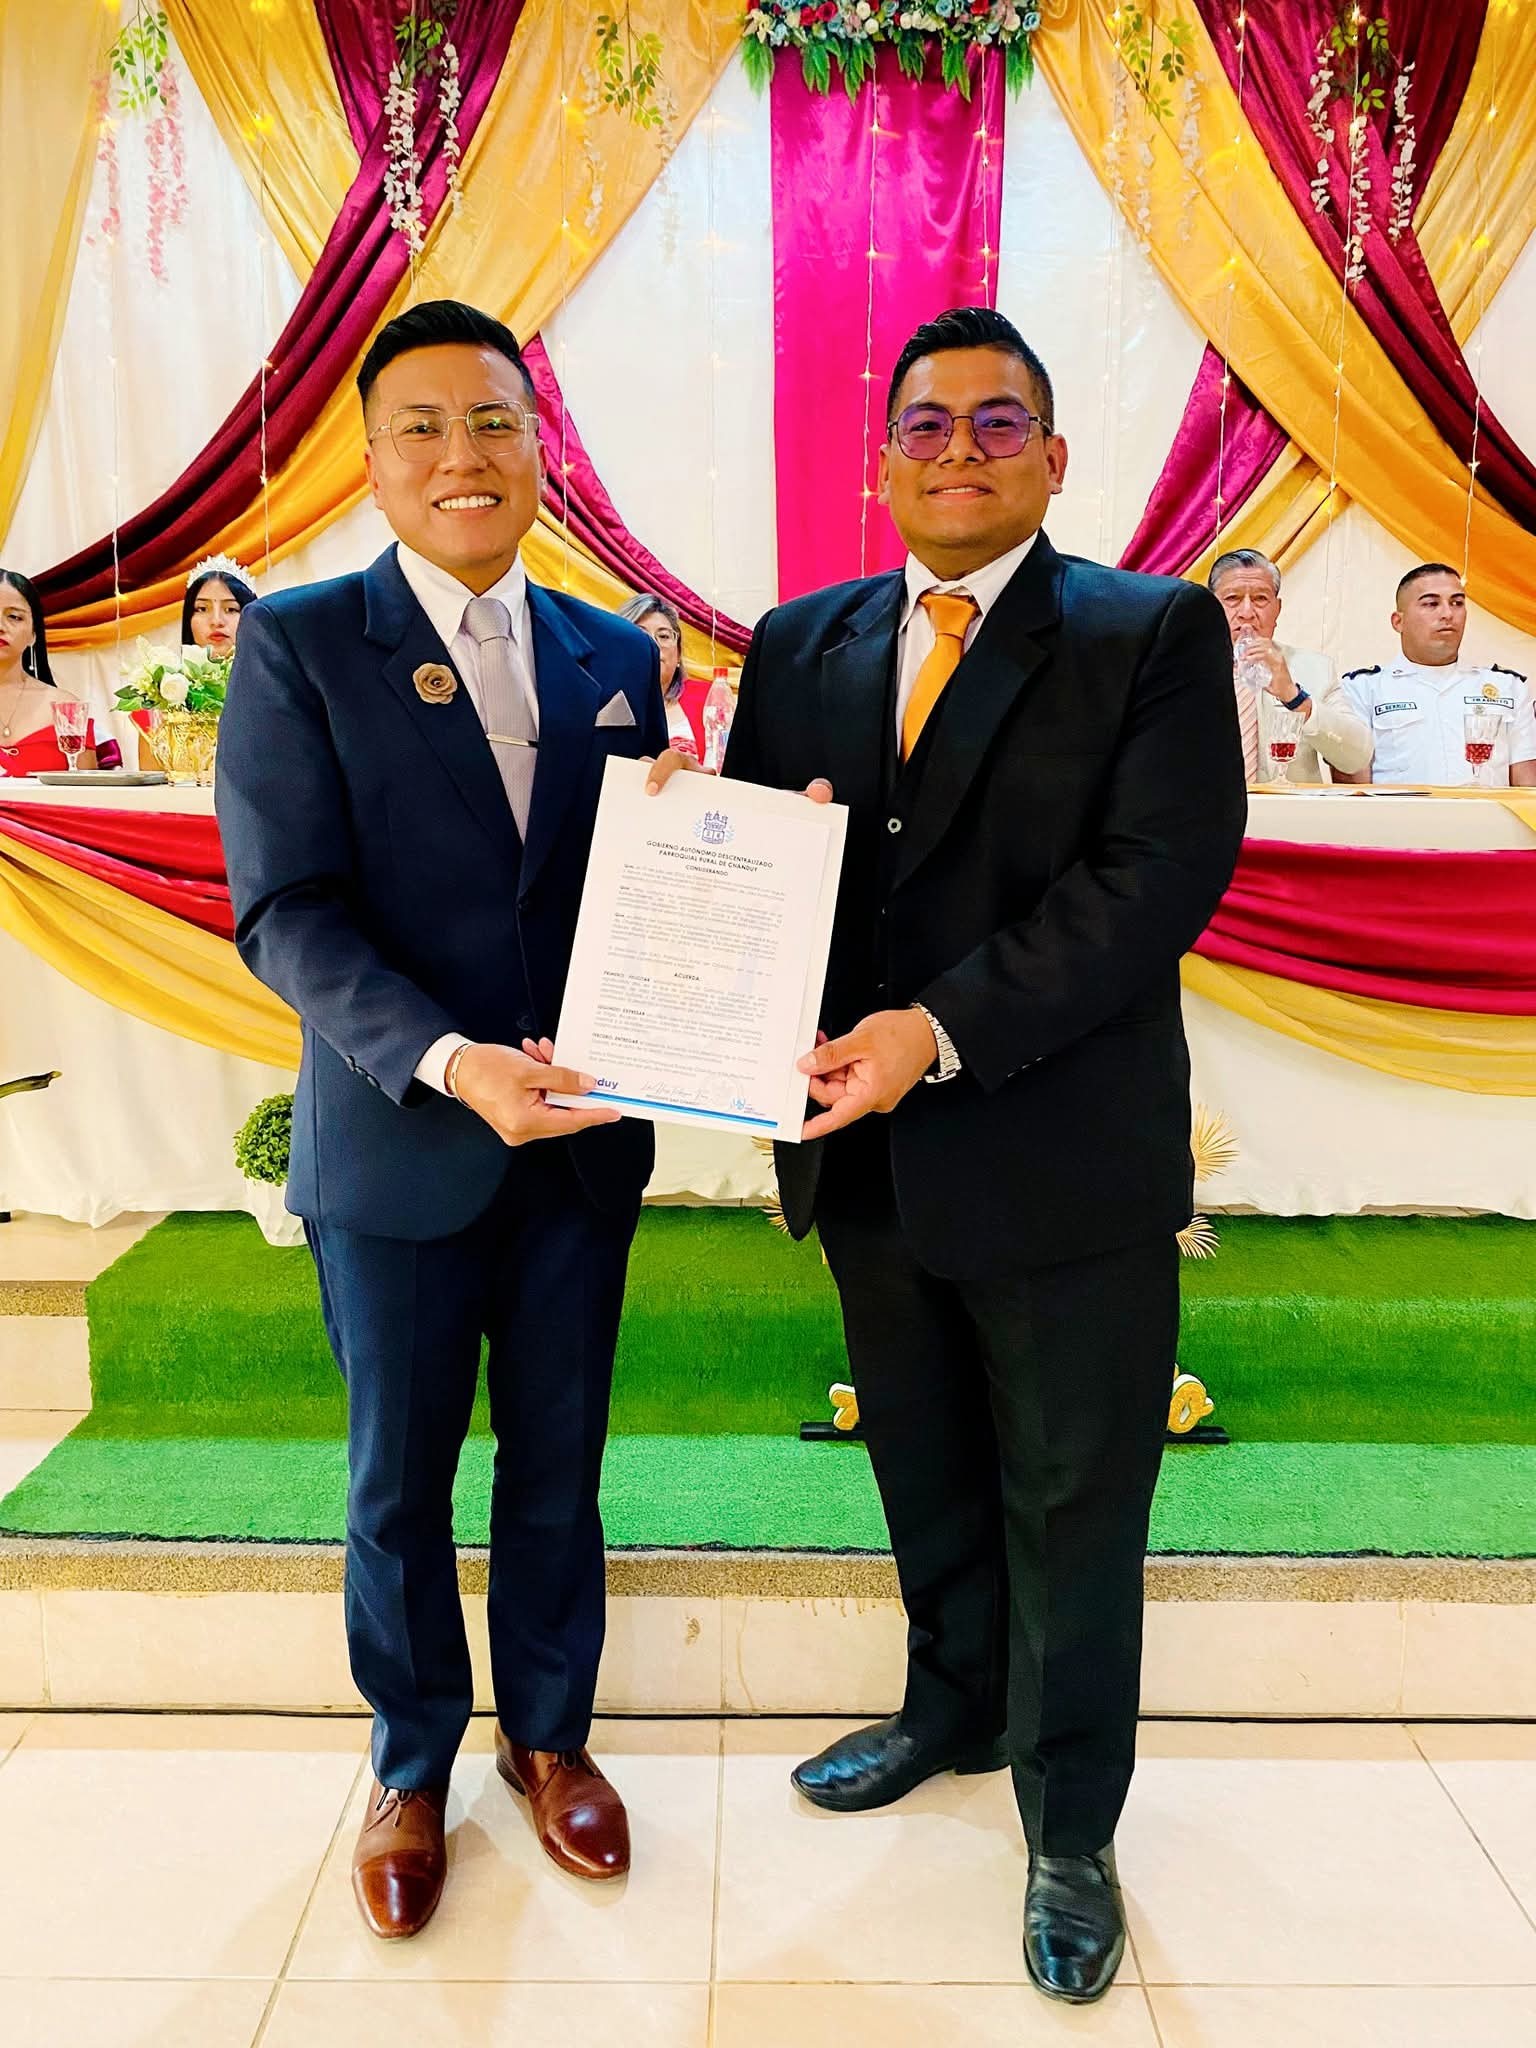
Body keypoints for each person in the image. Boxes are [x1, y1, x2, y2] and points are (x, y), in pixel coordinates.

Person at [652, 305, 1244, 2006]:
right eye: (928, 423)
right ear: (883, 459)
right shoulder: (804, 641)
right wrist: (691, 875)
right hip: (869, 1163)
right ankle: (950, 1706)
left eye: (997, 424)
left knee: (1074, 1497)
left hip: (1061, 1160)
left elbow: (1153, 881)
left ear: (1052, 459)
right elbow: (771, 871)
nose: (959, 450)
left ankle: (1070, 1826)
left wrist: (937, 1026)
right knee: (920, 1458)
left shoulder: (1149, 631)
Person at [216, 300, 668, 1941]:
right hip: (403, 1144)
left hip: (579, 1148)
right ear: (371, 460)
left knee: (558, 1462)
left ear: (541, 451)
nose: (460, 456)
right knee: (396, 1484)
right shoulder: (299, 644)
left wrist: (751, 863)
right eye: (422, 425)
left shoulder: (617, 656)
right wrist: (452, 1058)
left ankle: (549, 1736)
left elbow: (643, 885)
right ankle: (411, 1761)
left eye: (492, 422)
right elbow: (287, 912)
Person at [1336, 562, 1536, 786]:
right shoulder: (1363, 689)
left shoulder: (1508, 686)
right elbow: (1355, 790)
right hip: (1400, 809)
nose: (1447, 614)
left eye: (1457, 603)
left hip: (1487, 810)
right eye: (1431, 604)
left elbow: (1527, 788)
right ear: (1398, 622)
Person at [1208, 547, 1369, 783]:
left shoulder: (1314, 668)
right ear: (1209, 607)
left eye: (1260, 599)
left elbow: (1357, 758)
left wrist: (1295, 698)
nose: (1247, 612)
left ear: (1277, 609)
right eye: (1232, 599)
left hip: (1287, 806)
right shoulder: (1179, 669)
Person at [0, 568, 115, 774]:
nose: (1, 626)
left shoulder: (67, 710)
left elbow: (86, 791)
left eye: (14, 617)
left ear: (34, 634)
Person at [618, 592, 704, 757]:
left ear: (678, 654)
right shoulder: (601, 704)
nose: (653, 645)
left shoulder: (708, 699)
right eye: (640, 634)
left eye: (664, 636)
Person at [182, 554, 257, 660]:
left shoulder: (275, 670)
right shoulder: (165, 670)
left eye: (231, 609)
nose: (216, 621)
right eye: (202, 609)